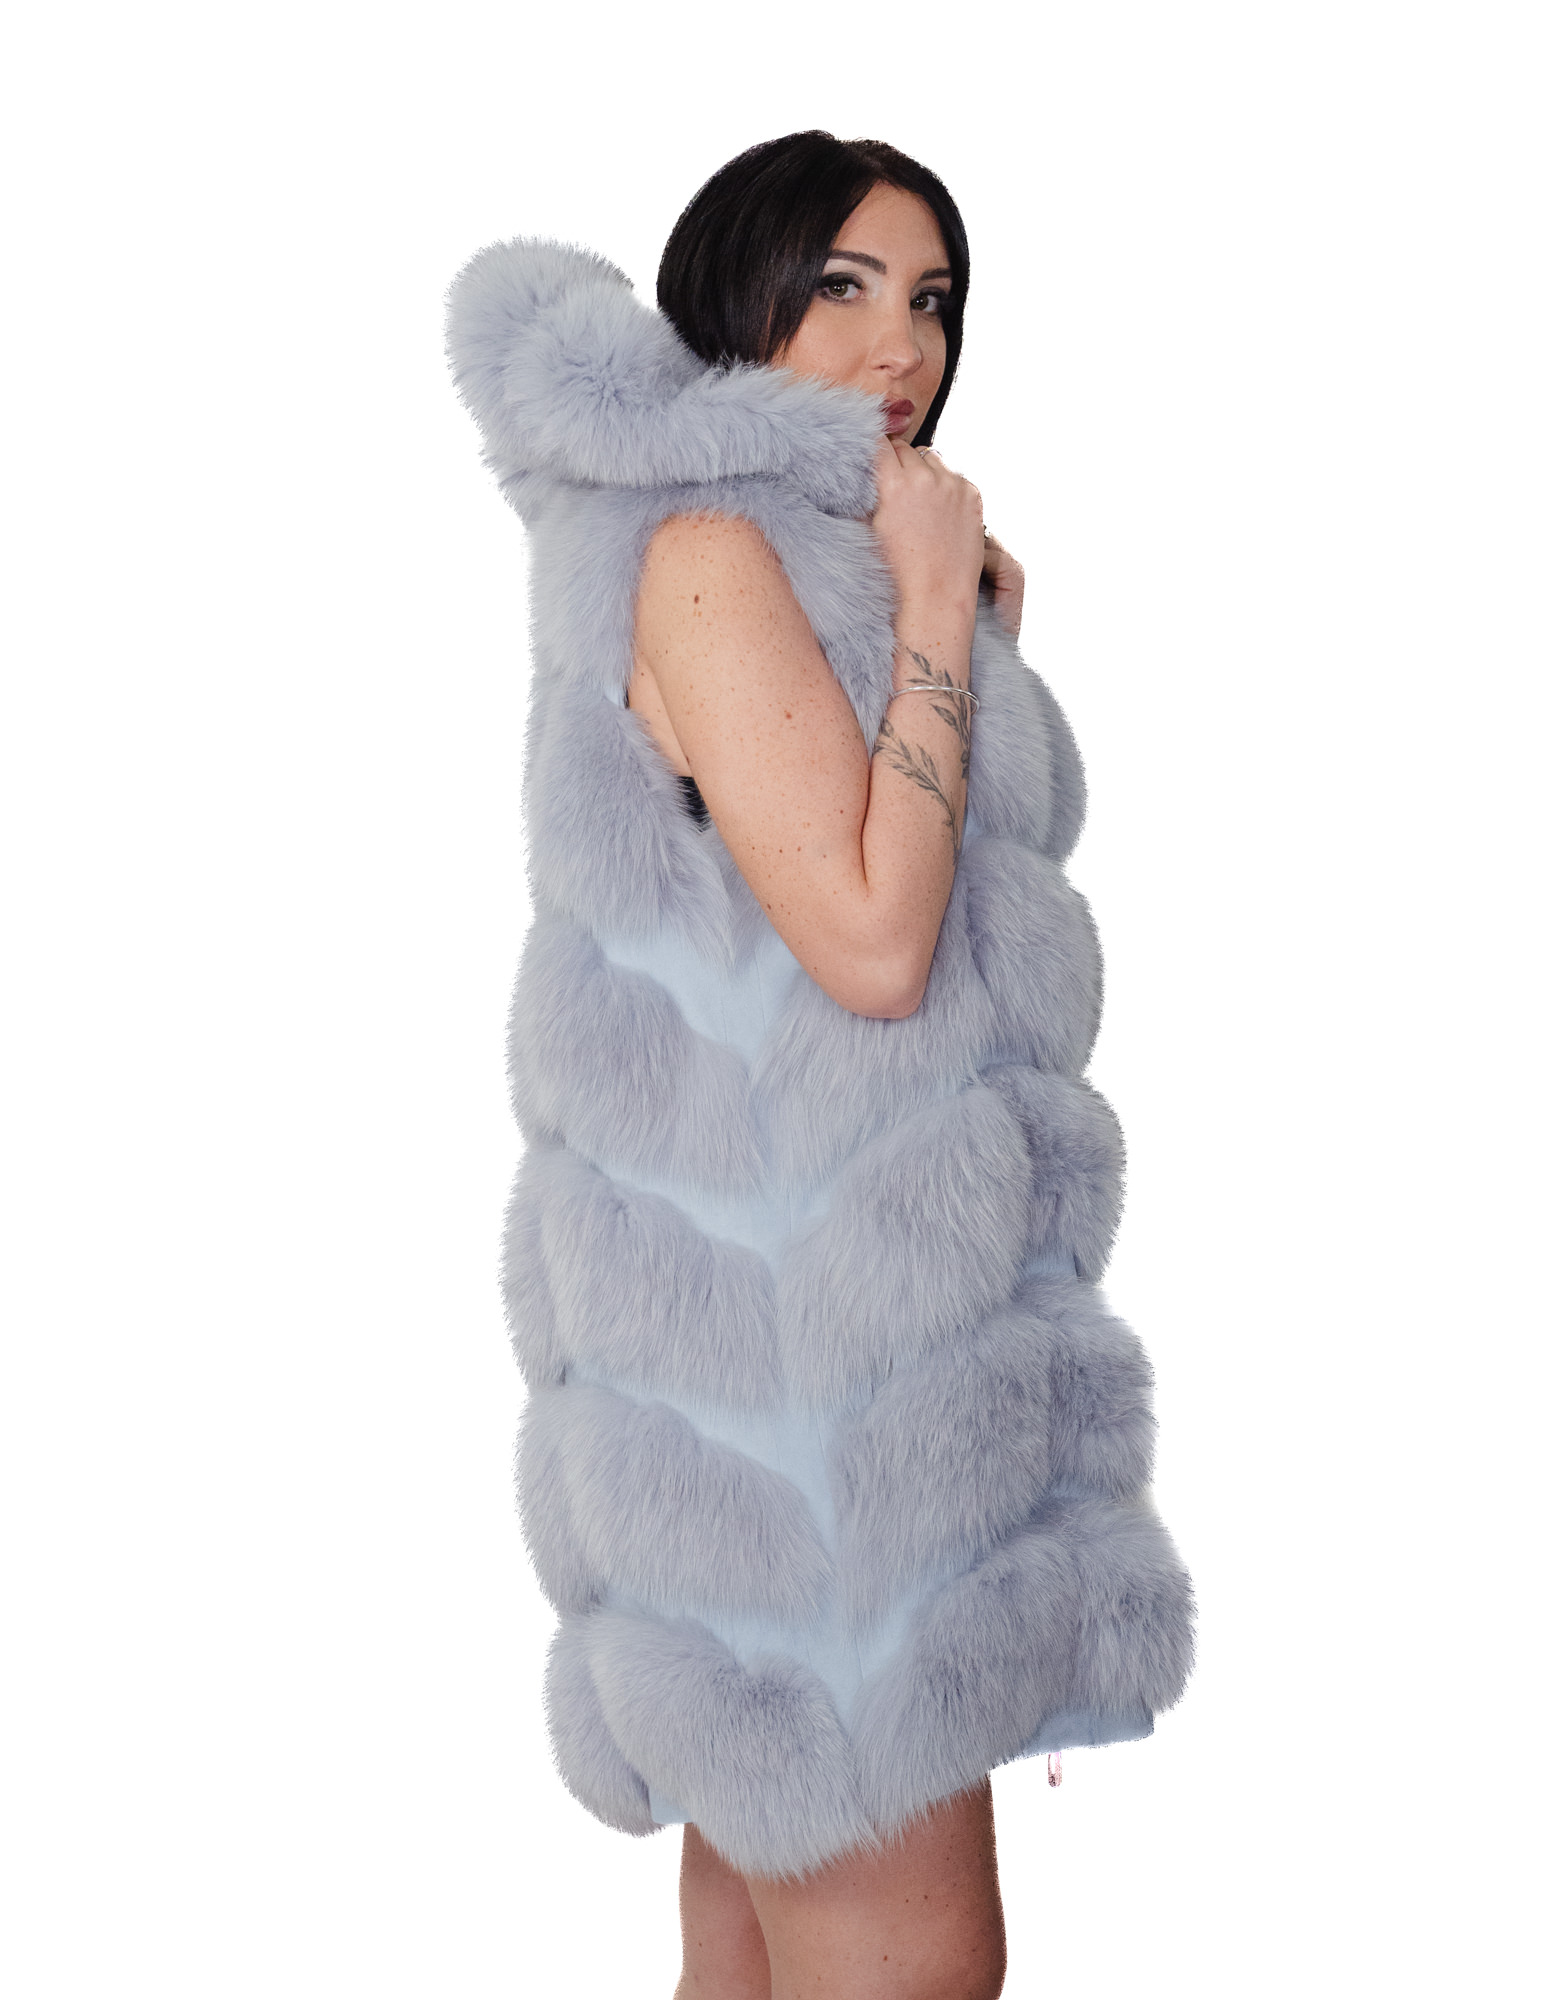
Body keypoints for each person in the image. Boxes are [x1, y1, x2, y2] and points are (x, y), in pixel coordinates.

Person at [448, 131, 1194, 2000]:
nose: (901, 345)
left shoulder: (782, 556)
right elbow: (873, 948)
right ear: (737, 300)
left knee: (757, 1960)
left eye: (930, 298)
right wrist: (934, 614)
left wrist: (942, 619)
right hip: (817, 1451)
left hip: (782, 1394)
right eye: (843, 287)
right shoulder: (710, 558)